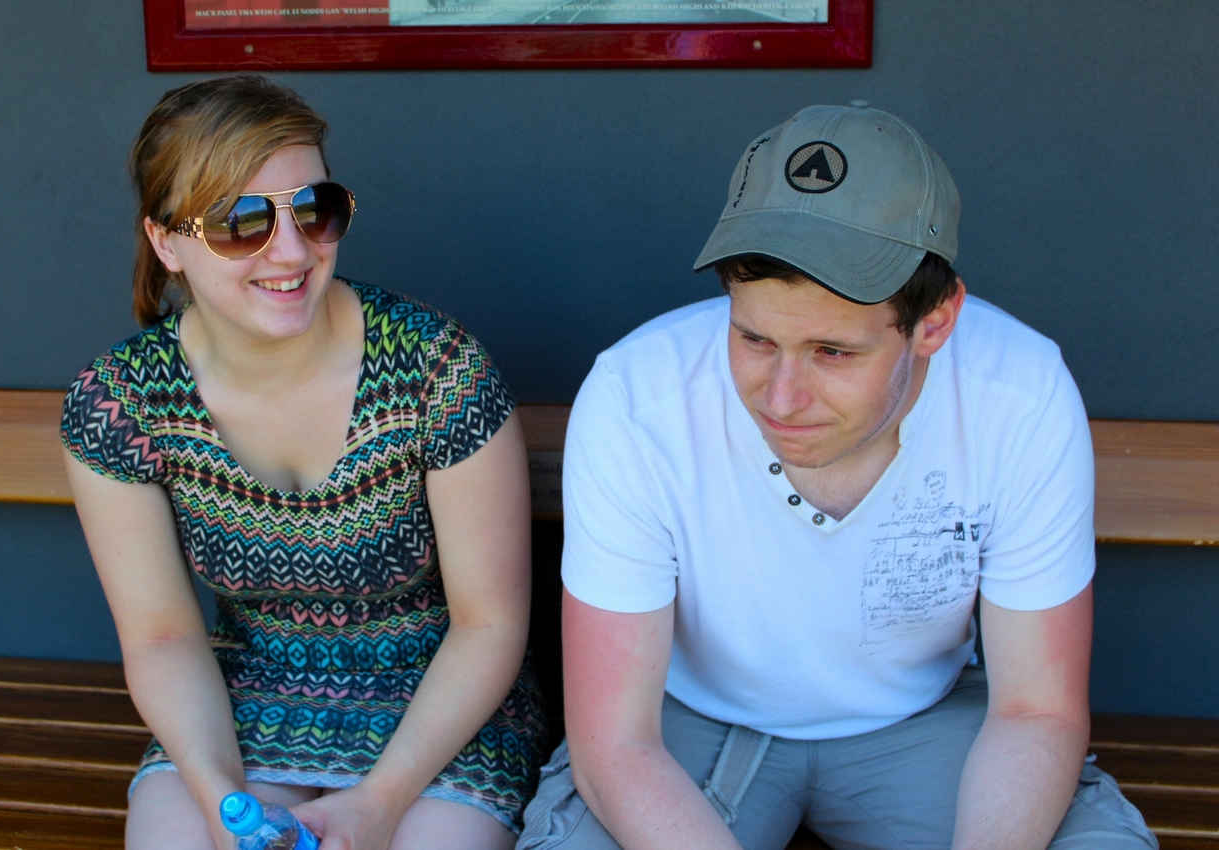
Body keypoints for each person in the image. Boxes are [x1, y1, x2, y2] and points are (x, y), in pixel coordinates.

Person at [517, 102, 1156, 849]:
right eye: (754, 337)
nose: (782, 397)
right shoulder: (637, 397)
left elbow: (1035, 712)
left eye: (833, 352)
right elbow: (616, 742)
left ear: (936, 323)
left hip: (926, 723)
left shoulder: (1020, 391)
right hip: (683, 729)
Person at [60, 75, 545, 850]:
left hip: (441, 704)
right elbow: (161, 639)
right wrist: (221, 801)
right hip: (248, 700)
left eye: (315, 210)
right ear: (165, 242)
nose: (291, 251)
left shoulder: (435, 369)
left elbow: (488, 625)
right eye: (239, 222)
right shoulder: (122, 401)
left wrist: (379, 804)